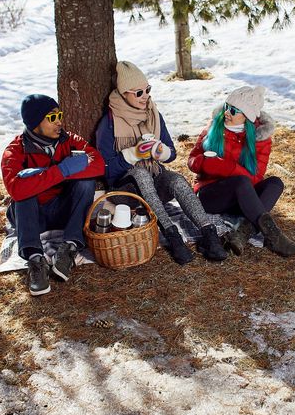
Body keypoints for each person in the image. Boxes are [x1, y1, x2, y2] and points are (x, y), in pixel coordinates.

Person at [95, 61, 227, 264]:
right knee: (140, 174)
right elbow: (106, 170)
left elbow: (172, 154)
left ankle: (210, 236)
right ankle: (173, 238)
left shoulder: (154, 114)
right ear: (123, 93)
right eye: (138, 92)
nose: (145, 96)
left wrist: (161, 152)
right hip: (126, 192)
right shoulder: (109, 123)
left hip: (154, 185)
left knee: (175, 179)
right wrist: (133, 154)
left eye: (147, 89)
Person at [1, 94, 105, 296]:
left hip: (62, 212)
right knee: (24, 193)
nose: (59, 121)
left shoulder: (70, 140)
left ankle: (69, 248)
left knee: (85, 183)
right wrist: (61, 171)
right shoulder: (14, 151)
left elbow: (98, 164)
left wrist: (52, 173)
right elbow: (15, 189)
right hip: (32, 216)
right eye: (51, 118)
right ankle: (35, 260)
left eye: (59, 115)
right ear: (34, 123)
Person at [188, 85, 295, 257]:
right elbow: (192, 161)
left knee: (275, 183)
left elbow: (256, 178)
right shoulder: (213, 127)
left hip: (242, 197)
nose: (227, 112)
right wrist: (209, 163)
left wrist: (227, 167)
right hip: (210, 195)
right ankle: (274, 237)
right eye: (227, 106)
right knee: (240, 181)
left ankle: (242, 233)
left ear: (247, 116)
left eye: (234, 110)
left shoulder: (260, 139)